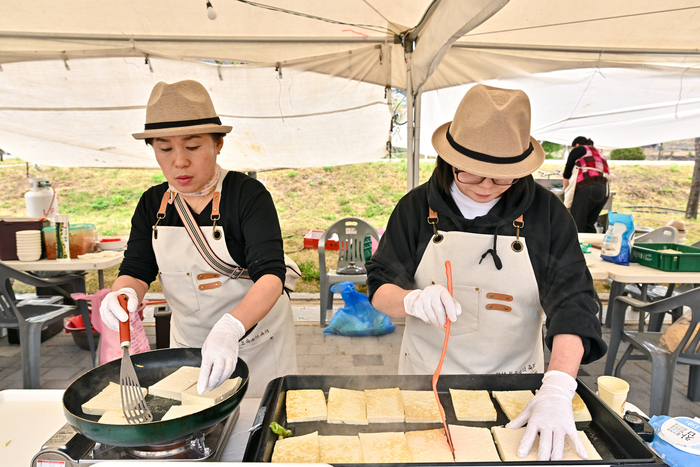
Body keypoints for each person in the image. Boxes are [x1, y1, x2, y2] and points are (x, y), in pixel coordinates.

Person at [366, 84, 606, 461]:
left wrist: (558, 387)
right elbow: (381, 287)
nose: (486, 188)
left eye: (502, 178)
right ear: (449, 161)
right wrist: (410, 299)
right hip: (426, 380)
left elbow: (574, 304)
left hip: (515, 384)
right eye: (473, 176)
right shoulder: (415, 208)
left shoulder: (547, 215)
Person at [99, 80, 296, 398]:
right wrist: (121, 294)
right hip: (189, 347)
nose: (179, 161)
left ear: (218, 143)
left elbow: (271, 276)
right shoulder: (154, 204)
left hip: (256, 341)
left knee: (257, 426)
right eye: (165, 148)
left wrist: (231, 328)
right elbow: (137, 269)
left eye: (192, 147)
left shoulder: (247, 196)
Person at [563, 136, 610, 233]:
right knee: (589, 223)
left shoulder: (579, 149)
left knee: (577, 223)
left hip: (588, 187)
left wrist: (565, 188)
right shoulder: (598, 152)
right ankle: (590, 247)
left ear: (576, 145)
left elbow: (567, 172)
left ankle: (576, 247)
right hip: (603, 190)